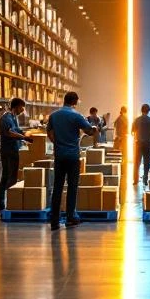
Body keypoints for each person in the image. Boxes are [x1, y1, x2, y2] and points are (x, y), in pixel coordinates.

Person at [46, 91, 99, 231]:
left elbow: (49, 133)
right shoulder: (76, 116)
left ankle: (54, 221)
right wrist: (95, 129)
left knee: (57, 187)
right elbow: (89, 131)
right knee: (72, 187)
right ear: (74, 102)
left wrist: (57, 143)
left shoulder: (54, 116)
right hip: (73, 156)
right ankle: (70, 218)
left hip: (59, 155)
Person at [0, 98, 31, 214]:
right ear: (16, 106)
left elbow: (16, 130)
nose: (23, 110)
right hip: (8, 151)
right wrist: (23, 137)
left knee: (11, 177)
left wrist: (25, 133)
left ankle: (7, 204)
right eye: (22, 107)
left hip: (13, 149)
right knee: (8, 177)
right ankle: (4, 204)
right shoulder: (6, 118)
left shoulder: (13, 117)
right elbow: (8, 132)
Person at [132, 104, 150, 186]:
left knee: (137, 162)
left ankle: (135, 180)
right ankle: (145, 180)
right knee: (147, 162)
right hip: (147, 144)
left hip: (138, 143)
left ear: (141, 110)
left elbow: (132, 130)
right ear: (148, 111)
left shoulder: (136, 120)